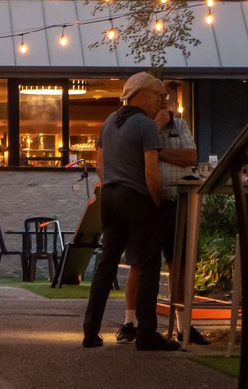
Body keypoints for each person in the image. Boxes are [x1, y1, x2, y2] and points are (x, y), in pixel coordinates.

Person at [81, 71, 180, 351]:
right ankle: (147, 333)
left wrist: (110, 184)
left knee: (106, 265)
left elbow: (100, 164)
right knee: (149, 265)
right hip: (136, 197)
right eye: (159, 96)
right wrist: (155, 199)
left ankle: (90, 332)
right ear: (142, 94)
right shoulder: (146, 125)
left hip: (110, 197)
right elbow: (151, 171)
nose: (161, 101)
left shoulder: (109, 122)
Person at [116, 81, 206, 346]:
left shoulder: (180, 126)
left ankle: (183, 325)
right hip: (147, 201)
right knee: (139, 263)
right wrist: (154, 130)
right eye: (160, 97)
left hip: (177, 200)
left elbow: (190, 157)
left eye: (167, 98)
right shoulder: (138, 125)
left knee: (179, 263)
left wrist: (157, 150)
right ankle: (130, 323)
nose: (164, 102)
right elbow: (134, 153)